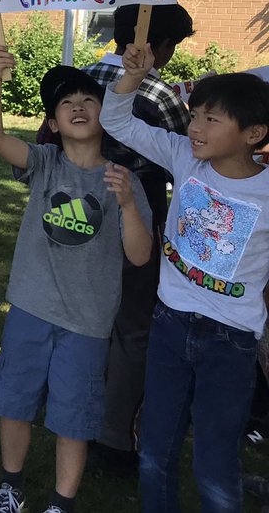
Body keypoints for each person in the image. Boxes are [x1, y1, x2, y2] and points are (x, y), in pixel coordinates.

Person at [0, 58, 153, 513]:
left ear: (105, 115)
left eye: (88, 101)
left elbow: (139, 255)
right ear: (53, 124)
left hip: (87, 323)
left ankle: (62, 502)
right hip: (30, 309)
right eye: (66, 104)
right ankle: (10, 488)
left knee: (73, 417)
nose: (78, 108)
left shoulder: (123, 180)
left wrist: (130, 205)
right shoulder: (44, 162)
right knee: (15, 403)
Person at [103, 52, 269, 513]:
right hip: (170, 325)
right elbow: (117, 120)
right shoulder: (183, 158)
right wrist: (132, 78)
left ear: (254, 134)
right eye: (194, 116)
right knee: (156, 449)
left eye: (211, 119)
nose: (195, 127)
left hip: (230, 340)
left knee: (215, 462)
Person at [82, 2, 195, 475]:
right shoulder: (160, 92)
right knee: (132, 325)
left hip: (80, 210)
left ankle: (76, 413)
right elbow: (189, 154)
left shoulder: (84, 75)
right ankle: (114, 437)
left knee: (88, 318)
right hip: (137, 211)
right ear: (159, 46)